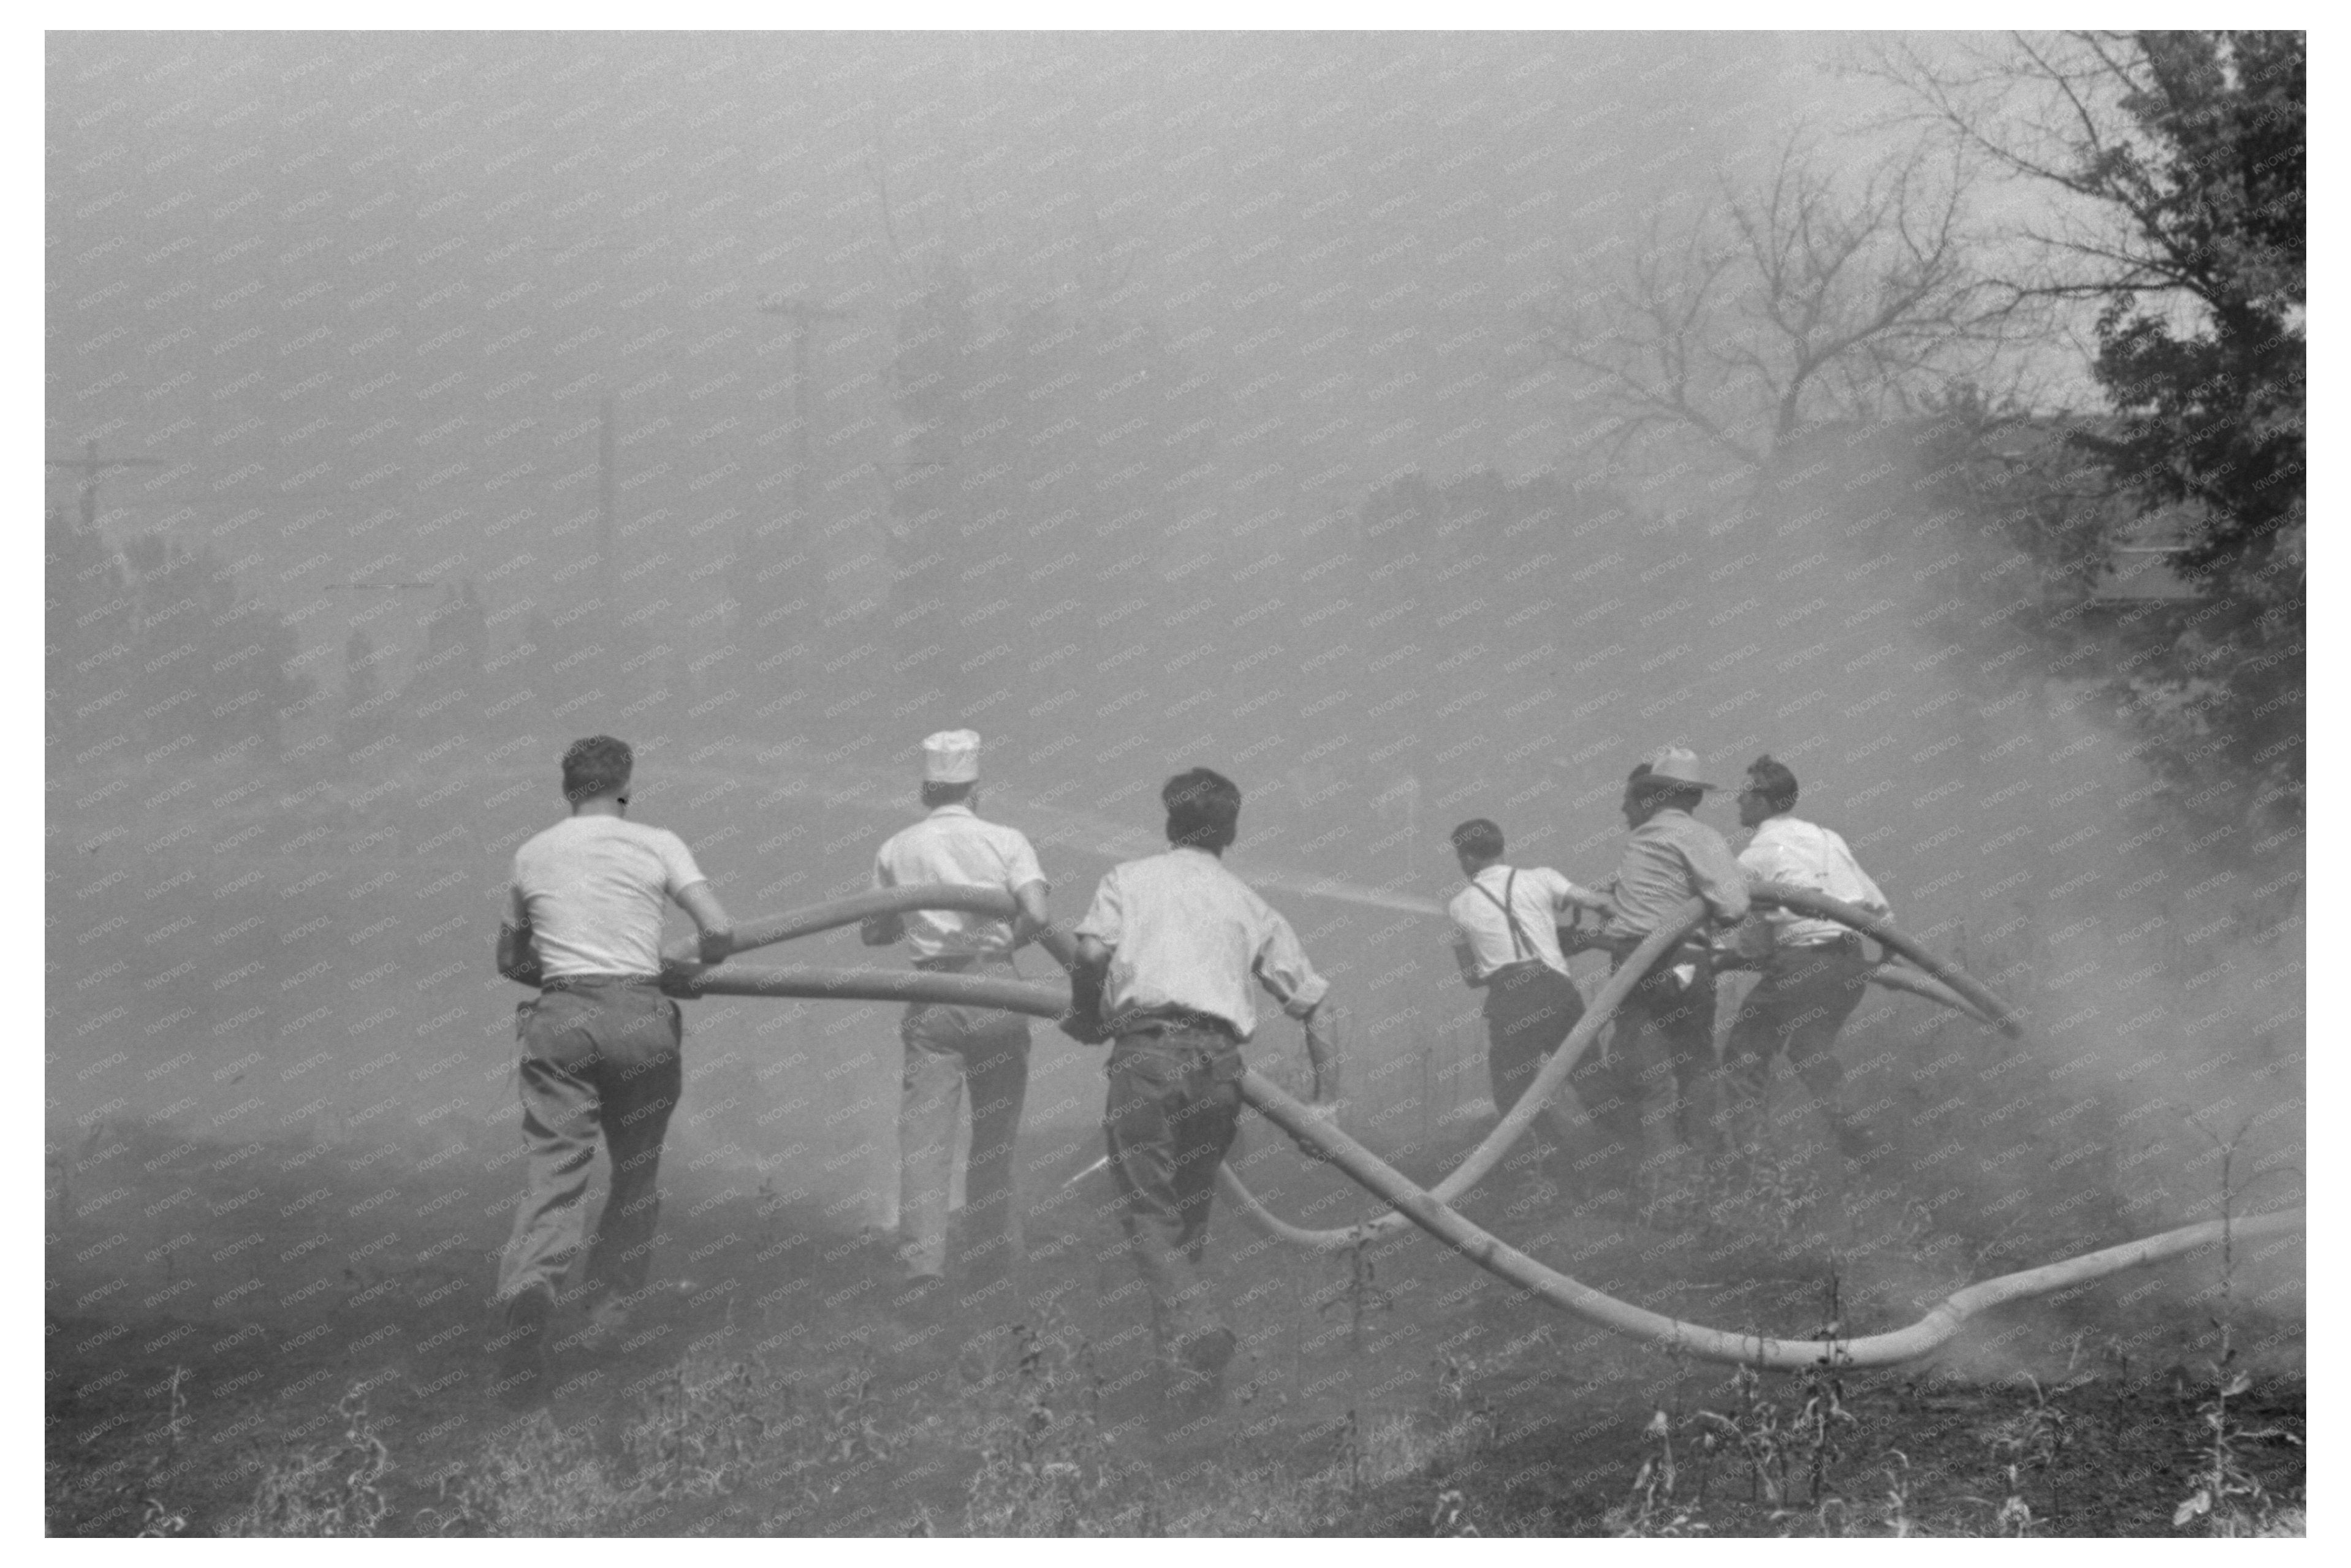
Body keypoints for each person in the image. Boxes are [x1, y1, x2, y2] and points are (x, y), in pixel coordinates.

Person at [1071, 768, 1340, 1415]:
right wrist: (1324, 1106)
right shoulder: (1249, 903)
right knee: (1186, 1227)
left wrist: (1086, 1016)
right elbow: (1317, 1009)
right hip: (1220, 1072)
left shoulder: (1126, 881)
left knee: (1147, 1217)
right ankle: (1189, 1387)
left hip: (1148, 1060)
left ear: (1167, 825)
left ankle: (1196, 1335)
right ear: (1232, 832)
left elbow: (1085, 958)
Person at [492, 735, 734, 1400]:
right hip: (639, 1022)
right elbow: (718, 929)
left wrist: (573, 967)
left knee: (554, 1175)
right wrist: (680, 970)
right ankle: (607, 1315)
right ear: (623, 788)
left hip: (561, 1022)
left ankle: (532, 1287)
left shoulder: (532, 853)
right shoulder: (657, 843)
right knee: (634, 1174)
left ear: (566, 790)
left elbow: (510, 962)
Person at [862, 729, 1050, 1312]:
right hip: (998, 991)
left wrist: (920, 919)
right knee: (994, 1135)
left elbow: (873, 930)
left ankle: (922, 1271)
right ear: (977, 790)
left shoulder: (897, 847)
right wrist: (999, 951)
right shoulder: (1007, 839)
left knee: (925, 1139)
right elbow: (1039, 915)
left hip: (932, 991)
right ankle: (990, 1260)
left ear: (925, 788)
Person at [1589, 747, 1750, 1205]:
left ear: (1652, 796)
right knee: (1696, 1066)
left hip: (1636, 968)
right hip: (1685, 965)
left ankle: (1665, 1191)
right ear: (1693, 798)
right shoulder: (1700, 837)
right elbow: (1736, 906)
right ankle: (1707, 1177)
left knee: (1650, 1080)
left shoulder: (1642, 841)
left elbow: (1633, 916)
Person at [1717, 754, 1891, 1175]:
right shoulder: (1828, 837)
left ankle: (1761, 1172)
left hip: (1801, 965)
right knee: (1810, 1050)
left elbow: (1747, 930)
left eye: (1743, 793)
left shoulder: (1757, 854)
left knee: (1743, 1057)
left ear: (1762, 799)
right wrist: (1886, 961)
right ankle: (1862, 1139)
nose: (1738, 802)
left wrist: (1721, 958)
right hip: (1849, 964)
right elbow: (1880, 909)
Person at [1443, 818, 1603, 1189]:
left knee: (1513, 1095)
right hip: (1557, 991)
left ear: (1466, 858)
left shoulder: (1459, 906)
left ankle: (1558, 1166)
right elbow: (1597, 901)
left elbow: (1472, 978)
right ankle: (1631, 1157)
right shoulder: (1542, 878)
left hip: (1510, 998)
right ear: (1501, 848)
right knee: (1592, 1078)